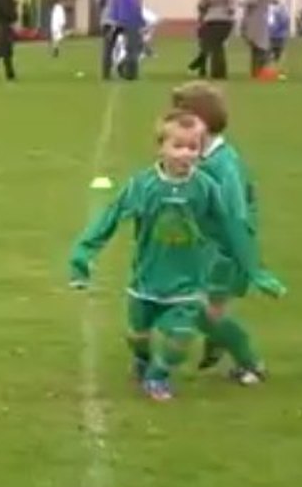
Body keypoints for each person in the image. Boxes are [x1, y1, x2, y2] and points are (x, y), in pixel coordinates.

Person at [68, 110, 280, 401]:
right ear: (161, 147)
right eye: (178, 146)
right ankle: (143, 361)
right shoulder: (142, 185)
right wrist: (82, 255)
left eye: (193, 147)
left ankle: (158, 377)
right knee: (137, 336)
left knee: (180, 335)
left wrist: (255, 270)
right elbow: (110, 218)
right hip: (145, 280)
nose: (186, 154)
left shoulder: (206, 188)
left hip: (187, 284)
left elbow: (230, 229)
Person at [170, 82, 285, 384]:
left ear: (201, 121)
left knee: (202, 311)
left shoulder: (224, 165)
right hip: (204, 248)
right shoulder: (202, 158)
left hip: (224, 252)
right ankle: (220, 341)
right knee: (204, 309)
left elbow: (235, 218)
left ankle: (251, 363)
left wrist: (253, 269)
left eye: (181, 116)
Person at [189, 0, 236, 79]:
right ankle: (219, 72)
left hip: (212, 20)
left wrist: (204, 10)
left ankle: (216, 72)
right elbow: (232, 7)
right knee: (219, 46)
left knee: (214, 47)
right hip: (227, 21)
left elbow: (202, 4)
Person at [108, 0, 146, 80]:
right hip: (132, 20)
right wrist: (141, 20)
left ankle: (123, 65)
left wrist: (115, 18)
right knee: (134, 47)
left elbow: (113, 4)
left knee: (130, 46)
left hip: (119, 20)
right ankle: (130, 72)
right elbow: (136, 5)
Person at [240, 0, 273, 77]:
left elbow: (253, 1)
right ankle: (256, 71)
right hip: (252, 19)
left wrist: (241, 2)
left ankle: (259, 70)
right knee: (255, 47)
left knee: (259, 46)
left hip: (258, 19)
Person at [95, 0, 126, 78]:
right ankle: (124, 69)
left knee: (108, 47)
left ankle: (106, 73)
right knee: (126, 46)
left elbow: (99, 0)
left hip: (109, 20)